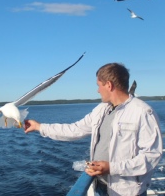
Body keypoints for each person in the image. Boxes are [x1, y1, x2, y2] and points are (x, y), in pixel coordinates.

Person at [24, 63, 163, 196]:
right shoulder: (101, 110)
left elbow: (151, 156)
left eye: (99, 85)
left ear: (109, 85)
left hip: (126, 191)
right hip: (100, 186)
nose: (97, 90)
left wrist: (111, 168)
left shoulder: (143, 112)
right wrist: (39, 127)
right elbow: (75, 129)